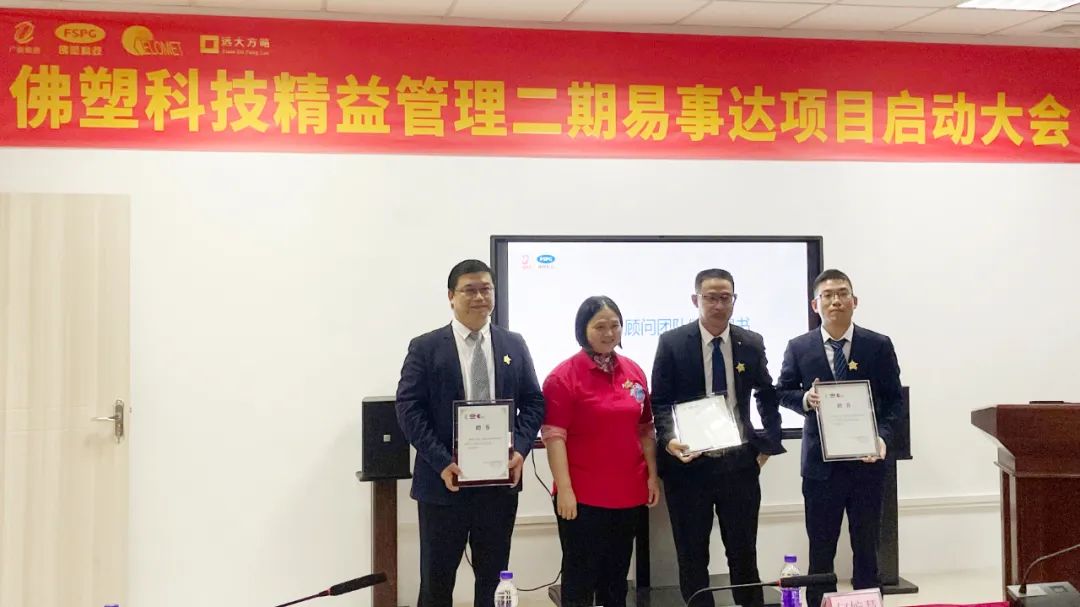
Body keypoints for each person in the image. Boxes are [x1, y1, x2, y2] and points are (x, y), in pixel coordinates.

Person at [395, 259, 546, 607]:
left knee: (494, 582)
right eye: (469, 290)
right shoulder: (426, 347)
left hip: (498, 487)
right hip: (443, 485)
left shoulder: (513, 344)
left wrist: (521, 451)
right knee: (436, 583)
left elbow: (534, 402)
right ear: (451, 296)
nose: (479, 297)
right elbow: (408, 408)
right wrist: (442, 461)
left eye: (486, 289)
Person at [651, 269, 786, 607]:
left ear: (734, 300)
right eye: (711, 297)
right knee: (692, 554)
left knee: (743, 551)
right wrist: (668, 439)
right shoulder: (672, 342)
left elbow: (766, 393)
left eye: (726, 298)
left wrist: (769, 443)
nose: (718, 305)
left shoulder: (750, 342)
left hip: (738, 465)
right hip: (689, 466)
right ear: (695, 300)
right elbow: (660, 401)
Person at [775, 268, 902, 607]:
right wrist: (805, 399)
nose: (835, 301)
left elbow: (894, 402)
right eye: (828, 295)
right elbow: (782, 391)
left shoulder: (878, 345)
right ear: (815, 304)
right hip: (821, 468)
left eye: (842, 293)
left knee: (867, 549)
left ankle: (868, 603)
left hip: (868, 464)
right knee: (821, 550)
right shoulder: (799, 347)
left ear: (854, 301)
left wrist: (882, 437)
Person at [541, 295, 660, 607]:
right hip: (582, 497)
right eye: (600, 327)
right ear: (583, 330)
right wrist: (565, 489)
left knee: (616, 580)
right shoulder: (562, 377)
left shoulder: (634, 371)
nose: (609, 333)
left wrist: (652, 476)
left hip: (628, 494)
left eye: (615, 325)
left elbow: (646, 429)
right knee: (580, 579)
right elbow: (554, 437)